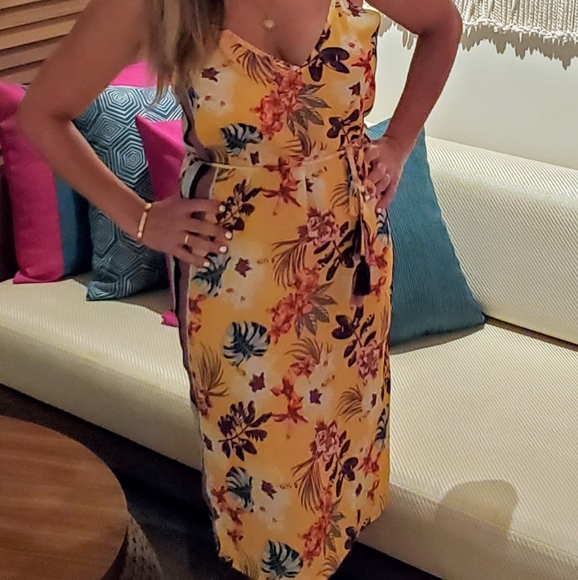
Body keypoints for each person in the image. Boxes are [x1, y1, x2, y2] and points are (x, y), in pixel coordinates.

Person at [18, 0, 462, 577]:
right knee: (269, 508)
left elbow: (442, 24)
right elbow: (43, 113)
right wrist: (141, 218)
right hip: (240, 302)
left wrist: (398, 143)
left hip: (349, 282)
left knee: (337, 480)